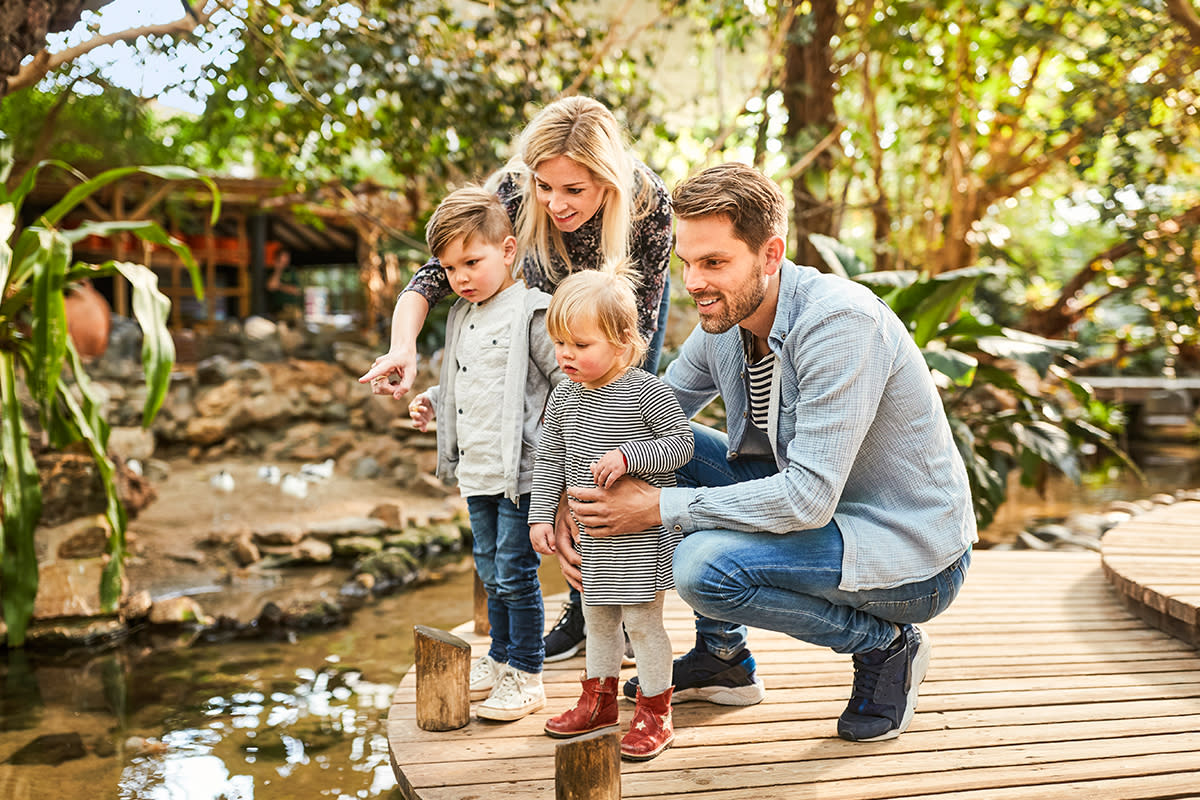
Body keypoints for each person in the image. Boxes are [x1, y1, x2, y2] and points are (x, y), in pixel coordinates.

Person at [556, 162, 977, 743]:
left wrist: (656, 510)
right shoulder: (723, 323)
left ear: (770, 254)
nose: (695, 281)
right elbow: (647, 409)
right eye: (687, 263)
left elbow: (805, 500)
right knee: (667, 449)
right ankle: (724, 660)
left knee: (702, 566)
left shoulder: (839, 325)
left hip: (906, 550)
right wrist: (573, 503)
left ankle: (887, 646)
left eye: (714, 262)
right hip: (820, 514)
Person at [360, 95, 674, 662]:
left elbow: (631, 350)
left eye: (573, 190)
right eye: (544, 186)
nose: (554, 203)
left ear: (607, 179)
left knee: (613, 431)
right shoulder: (511, 189)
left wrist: (590, 460)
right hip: (542, 313)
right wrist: (402, 347)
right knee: (553, 463)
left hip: (615, 316)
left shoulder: (649, 205)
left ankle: (613, 604)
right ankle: (583, 615)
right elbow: (436, 273)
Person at [401, 185, 564, 722]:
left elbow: (566, 387)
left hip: (522, 474)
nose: (461, 278)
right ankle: (498, 658)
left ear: (509, 249)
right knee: (490, 568)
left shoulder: (534, 313)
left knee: (516, 571)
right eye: (449, 269)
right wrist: (433, 400)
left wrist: (565, 469)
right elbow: (468, 383)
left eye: (472, 261)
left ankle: (528, 671)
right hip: (477, 472)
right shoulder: (461, 318)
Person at [528, 268, 694, 761]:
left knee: (642, 624)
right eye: (559, 343)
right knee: (596, 620)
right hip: (590, 539)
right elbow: (549, 460)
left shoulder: (646, 390)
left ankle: (655, 710)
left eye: (580, 344)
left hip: (638, 538)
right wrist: (541, 517)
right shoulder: (564, 396)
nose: (565, 355)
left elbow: (681, 444)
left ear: (623, 341)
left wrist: (630, 458)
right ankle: (597, 700)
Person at [266, 248, 303, 322]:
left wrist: (279, 286)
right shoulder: (271, 271)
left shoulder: (292, 271)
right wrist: (278, 270)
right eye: (284, 257)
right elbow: (271, 286)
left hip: (292, 308)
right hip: (277, 311)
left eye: (287, 257)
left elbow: (296, 290)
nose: (286, 260)